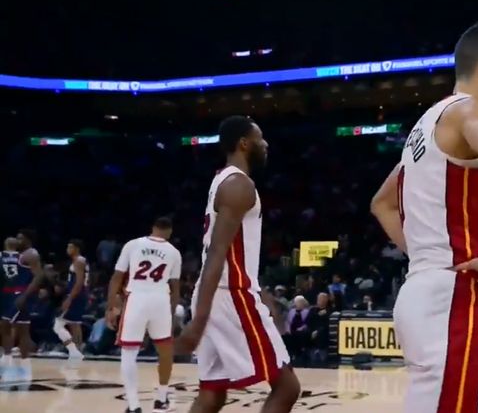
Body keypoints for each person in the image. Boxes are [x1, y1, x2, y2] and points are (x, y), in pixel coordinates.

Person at [371, 21, 478, 413]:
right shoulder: (476, 108)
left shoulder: (425, 126)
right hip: (455, 297)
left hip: (433, 291)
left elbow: (383, 204)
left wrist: (427, 258)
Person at [177, 115, 300, 413]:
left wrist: (261, 294)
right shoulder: (239, 185)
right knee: (287, 387)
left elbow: (231, 254)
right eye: (260, 138)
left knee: (212, 395)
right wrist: (198, 322)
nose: (265, 144)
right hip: (230, 295)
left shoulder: (222, 180)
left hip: (219, 293)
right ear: (244, 143)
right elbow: (218, 253)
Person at [105, 217, 182, 413]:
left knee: (129, 352)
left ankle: (134, 405)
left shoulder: (133, 244)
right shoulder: (174, 252)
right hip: (160, 300)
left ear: (153, 228)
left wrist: (111, 307)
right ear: (170, 231)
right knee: (165, 350)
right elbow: (175, 288)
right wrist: (172, 314)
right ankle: (161, 399)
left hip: (137, 298)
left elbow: (116, 278)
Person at [0, 231, 43, 376]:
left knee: (6, 325)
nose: (18, 241)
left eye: (20, 238)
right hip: (15, 293)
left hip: (21, 294)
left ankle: (8, 359)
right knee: (21, 328)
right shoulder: (21, 255)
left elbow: (38, 277)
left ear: (27, 239)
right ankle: (23, 363)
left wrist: (25, 295)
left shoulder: (31, 254)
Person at [52, 239, 87, 360]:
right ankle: (77, 351)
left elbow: (79, 283)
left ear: (76, 248)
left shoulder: (78, 261)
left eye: (70, 247)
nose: (68, 249)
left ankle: (74, 350)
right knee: (75, 324)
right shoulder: (80, 261)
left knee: (57, 325)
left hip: (76, 295)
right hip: (80, 295)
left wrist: (69, 298)